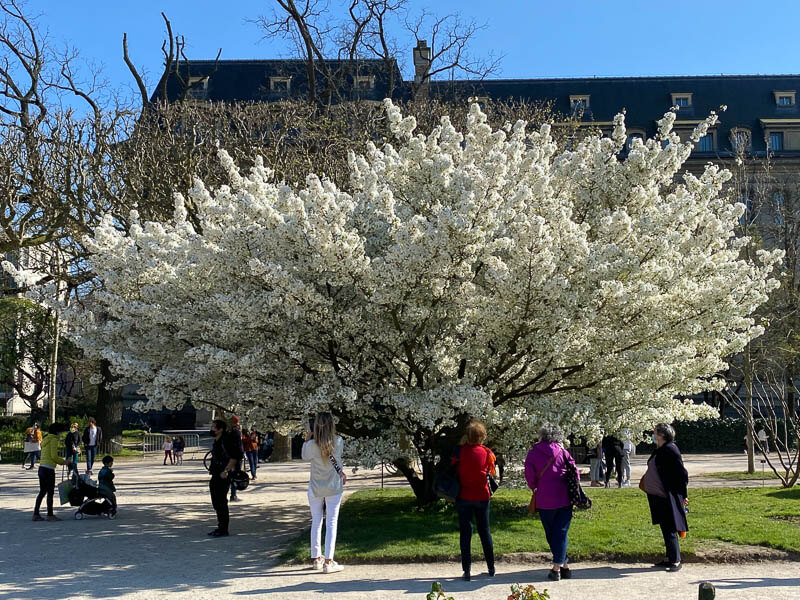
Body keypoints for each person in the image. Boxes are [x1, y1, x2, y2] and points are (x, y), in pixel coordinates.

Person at [525, 425, 577, 581]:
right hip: (564, 497)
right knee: (561, 532)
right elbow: (575, 472)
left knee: (552, 533)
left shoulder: (533, 453)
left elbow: (529, 474)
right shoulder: (563, 452)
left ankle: (557, 568)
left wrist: (534, 487)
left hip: (544, 498)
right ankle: (564, 566)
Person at [302, 412, 346, 574]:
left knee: (316, 521)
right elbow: (336, 457)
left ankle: (317, 558)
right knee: (331, 522)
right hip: (333, 486)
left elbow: (304, 456)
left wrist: (308, 435)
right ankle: (329, 560)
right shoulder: (338, 441)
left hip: (315, 487)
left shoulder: (310, 445)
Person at [641, 423, 689, 573]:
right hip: (658, 496)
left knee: (669, 528)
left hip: (667, 495)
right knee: (665, 526)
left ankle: (676, 560)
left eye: (655, 432)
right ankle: (669, 557)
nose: (653, 434)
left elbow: (682, 474)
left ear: (661, 435)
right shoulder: (660, 450)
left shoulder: (670, 449)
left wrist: (683, 495)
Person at [453, 419, 496, 582]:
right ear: (482, 436)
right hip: (482, 496)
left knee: (465, 533)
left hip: (464, 495)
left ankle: (467, 570)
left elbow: (454, 468)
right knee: (485, 531)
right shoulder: (487, 452)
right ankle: (491, 567)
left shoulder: (460, 452)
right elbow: (492, 473)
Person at [207, 419, 243, 537]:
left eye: (213, 427)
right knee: (216, 501)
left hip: (222, 474)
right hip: (215, 473)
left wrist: (226, 470)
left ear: (220, 429)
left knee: (221, 501)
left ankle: (223, 529)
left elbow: (234, 457)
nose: (211, 429)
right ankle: (220, 526)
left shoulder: (225, 442)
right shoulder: (217, 441)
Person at [32, 423, 71, 521]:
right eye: (61, 432)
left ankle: (36, 513)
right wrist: (64, 462)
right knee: (50, 492)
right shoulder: (53, 440)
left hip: (42, 468)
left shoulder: (46, 439)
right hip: (49, 469)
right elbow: (54, 456)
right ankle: (50, 514)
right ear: (57, 432)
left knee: (42, 492)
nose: (61, 434)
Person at [229, 418, 245, 501]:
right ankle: (233, 495)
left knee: (232, 475)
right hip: (237, 456)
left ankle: (233, 494)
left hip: (233, 456)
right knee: (235, 475)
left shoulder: (232, 432)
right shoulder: (237, 432)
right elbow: (238, 446)